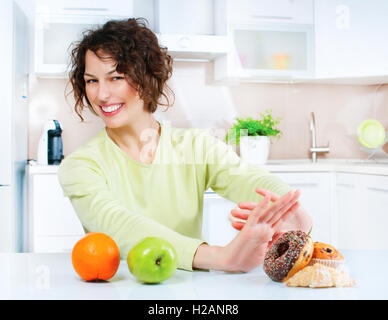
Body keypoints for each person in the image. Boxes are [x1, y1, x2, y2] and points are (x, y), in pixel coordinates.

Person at [58, 18, 312, 273]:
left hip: (189, 291)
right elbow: (118, 225)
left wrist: (292, 213)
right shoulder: (79, 166)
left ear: (146, 78)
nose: (101, 94)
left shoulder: (195, 146)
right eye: (92, 80)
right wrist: (221, 257)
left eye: (116, 77)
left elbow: (247, 179)